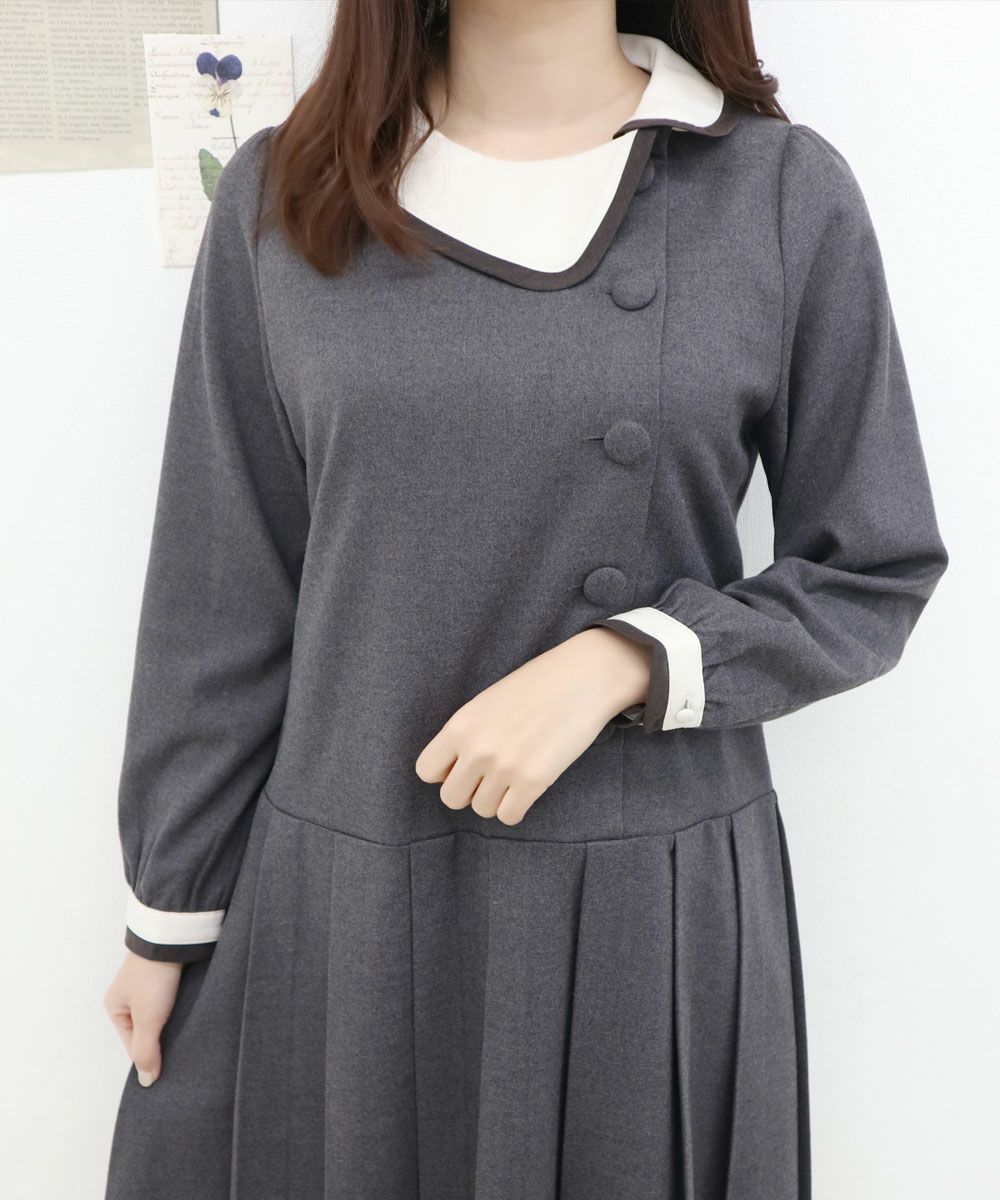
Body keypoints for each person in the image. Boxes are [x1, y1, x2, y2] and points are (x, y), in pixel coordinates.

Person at [102, 1, 949, 1197]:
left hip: (646, 906)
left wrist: (627, 658)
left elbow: (874, 564)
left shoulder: (773, 191)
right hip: (352, 888)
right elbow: (221, 587)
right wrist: (170, 916)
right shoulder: (288, 190)